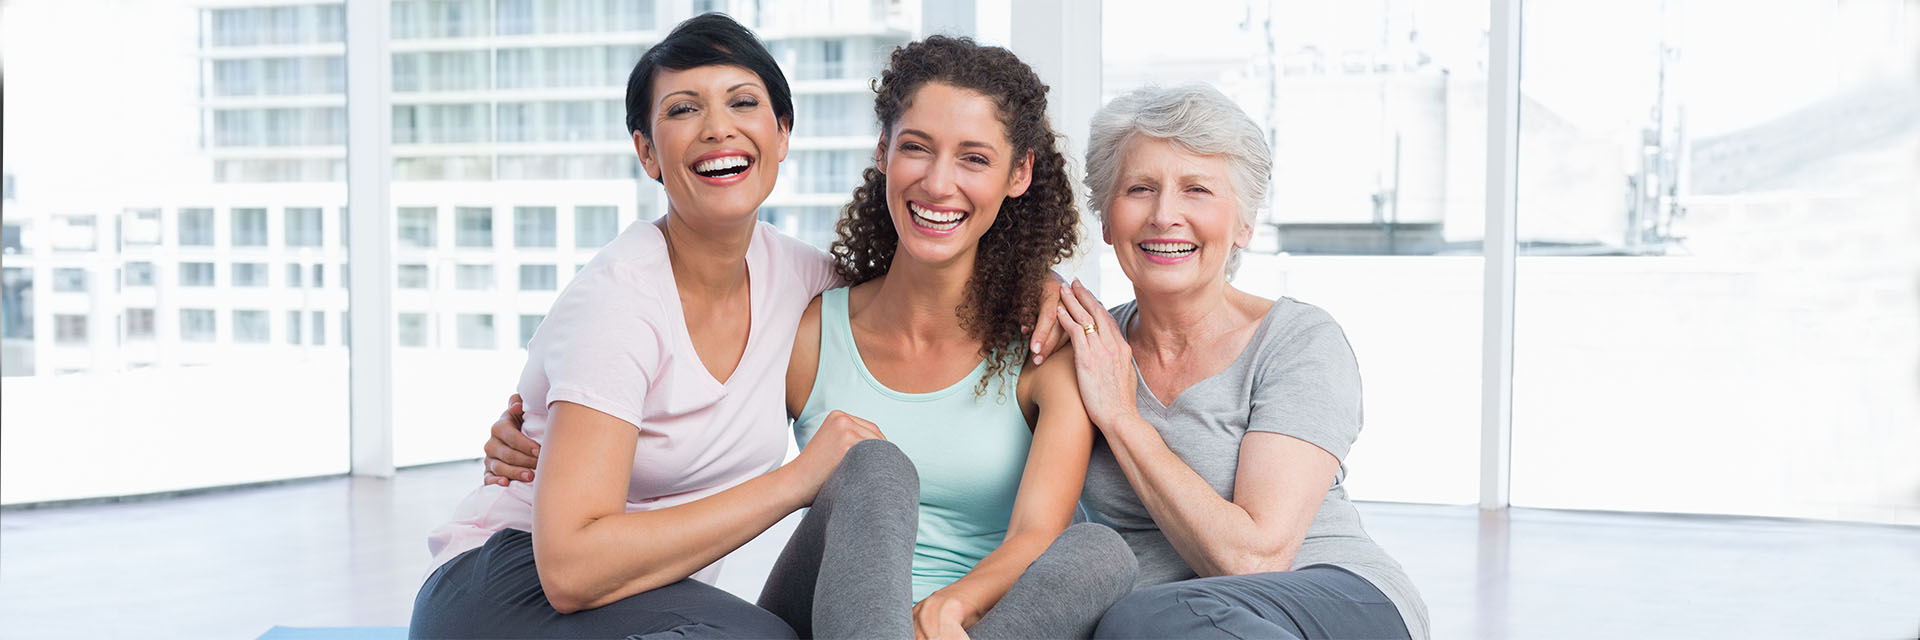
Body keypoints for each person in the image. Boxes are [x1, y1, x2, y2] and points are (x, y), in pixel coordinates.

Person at [410, 15, 1067, 638]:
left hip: (643, 598)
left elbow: (922, 278)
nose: (717, 129)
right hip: (509, 587)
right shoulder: (619, 301)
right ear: (646, 152)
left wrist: (1041, 284)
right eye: (683, 108)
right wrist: (794, 480)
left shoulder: (803, 285)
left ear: (782, 135)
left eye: (742, 103)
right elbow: (569, 572)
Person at [1049, 84, 1430, 639]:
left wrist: (1122, 417)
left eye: (1197, 190)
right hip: (1165, 628)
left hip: (1329, 598)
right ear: (1107, 220)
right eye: (1139, 188)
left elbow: (1256, 559)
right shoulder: (1085, 344)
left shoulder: (1298, 340)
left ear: (1244, 226)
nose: (1164, 215)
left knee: (1145, 616)